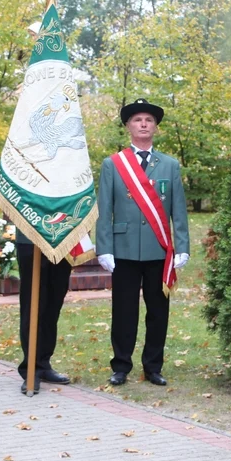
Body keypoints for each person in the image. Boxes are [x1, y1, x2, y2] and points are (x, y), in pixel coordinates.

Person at [96, 98, 190, 387]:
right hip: (123, 249)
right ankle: (121, 366)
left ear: (156, 127)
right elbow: (104, 209)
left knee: (158, 311)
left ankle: (153, 366)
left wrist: (182, 246)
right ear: (128, 126)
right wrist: (104, 248)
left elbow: (179, 208)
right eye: (137, 120)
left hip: (157, 249)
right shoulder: (113, 164)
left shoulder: (170, 165)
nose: (144, 124)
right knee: (124, 311)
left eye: (149, 120)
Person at [15, 229, 73, 395]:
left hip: (62, 236)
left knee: (53, 304)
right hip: (31, 235)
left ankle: (44, 363)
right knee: (32, 304)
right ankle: (30, 368)